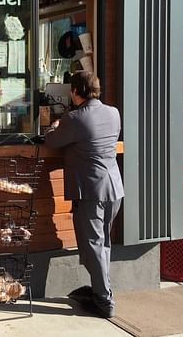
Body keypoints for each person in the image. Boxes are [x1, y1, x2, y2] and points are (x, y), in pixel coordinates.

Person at [44, 70, 124, 318]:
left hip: (90, 191)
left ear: (76, 91)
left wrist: (53, 126)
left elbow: (51, 141)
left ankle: (104, 300)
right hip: (113, 188)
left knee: (94, 246)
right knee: (103, 244)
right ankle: (101, 291)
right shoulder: (113, 113)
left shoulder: (74, 118)